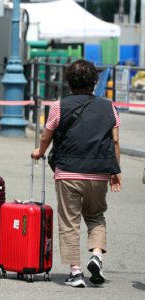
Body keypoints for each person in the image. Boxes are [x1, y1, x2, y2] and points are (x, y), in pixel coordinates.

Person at [31, 59, 122, 288]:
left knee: (69, 222)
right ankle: (97, 256)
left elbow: (46, 136)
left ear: (68, 81)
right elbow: (116, 141)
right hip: (100, 172)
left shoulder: (59, 106)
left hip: (68, 172)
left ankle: (75, 272)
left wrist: (39, 152)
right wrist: (115, 171)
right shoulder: (109, 106)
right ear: (95, 81)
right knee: (96, 216)